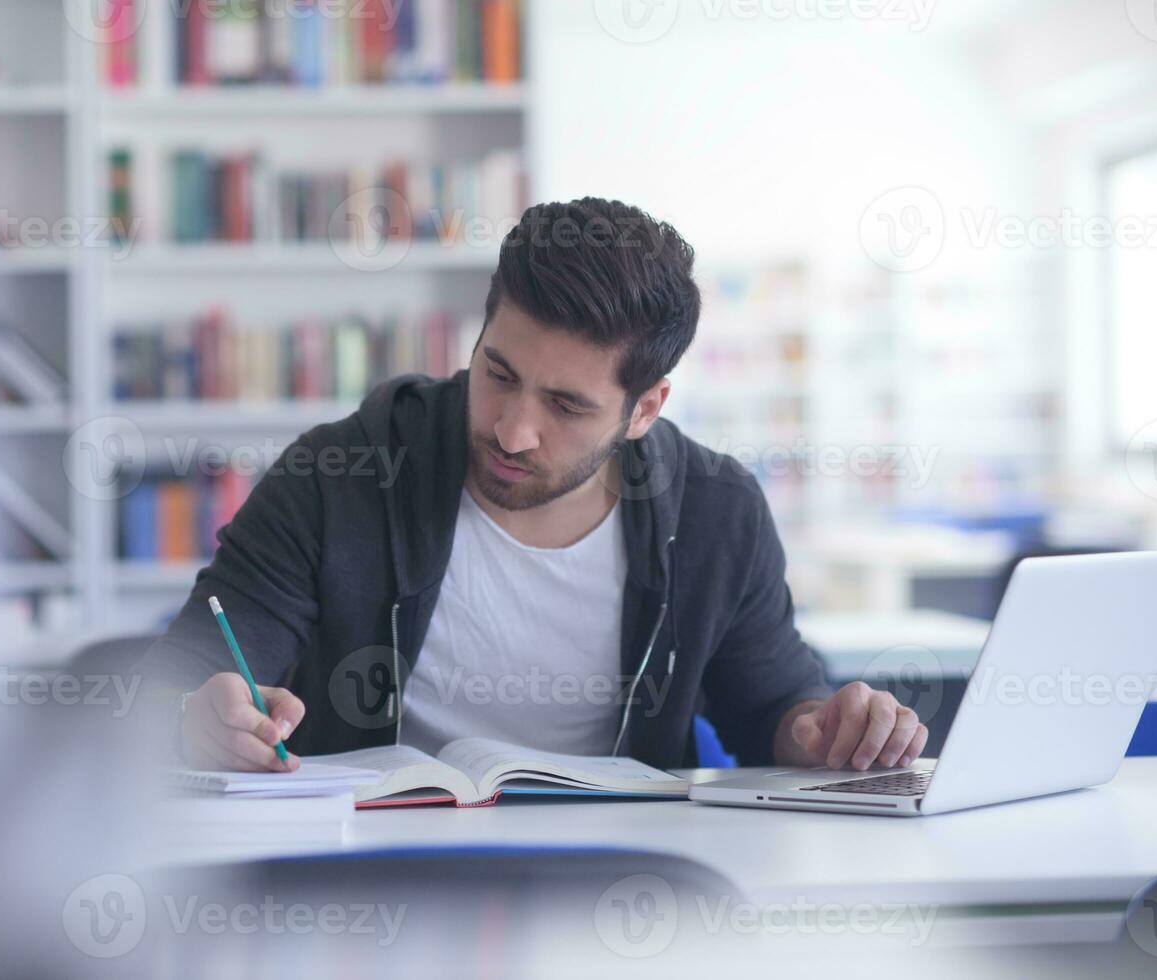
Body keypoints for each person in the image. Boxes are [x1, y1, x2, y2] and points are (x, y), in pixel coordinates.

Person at [142, 197, 928, 775]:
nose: (513, 431)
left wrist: (824, 731)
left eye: (566, 405)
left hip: (624, 883)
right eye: (499, 374)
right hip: (367, 875)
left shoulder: (717, 511)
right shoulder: (334, 476)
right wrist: (198, 714)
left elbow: (772, 711)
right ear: (478, 336)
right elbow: (191, 673)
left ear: (643, 409)